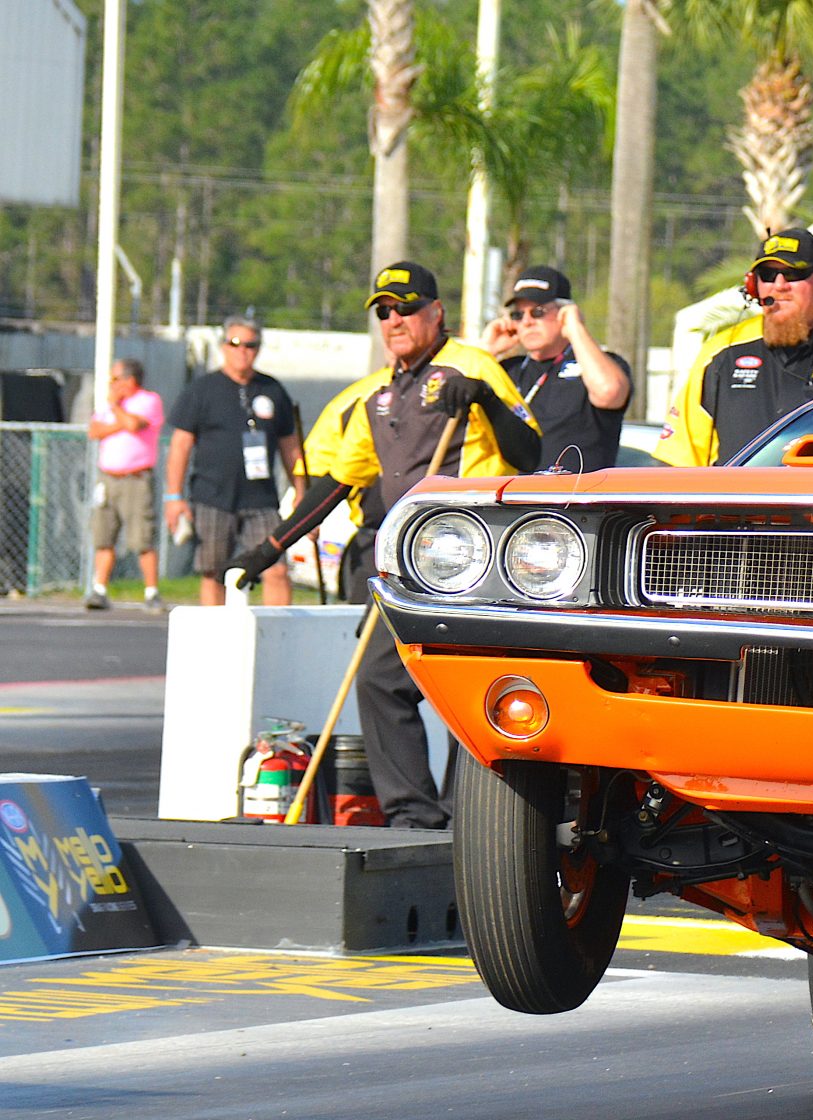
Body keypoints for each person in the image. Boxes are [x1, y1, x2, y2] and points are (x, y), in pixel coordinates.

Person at [229, 262, 539, 829]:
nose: (393, 319)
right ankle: (413, 816)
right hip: (405, 564)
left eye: (405, 307)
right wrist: (270, 547)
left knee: (470, 692)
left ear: (436, 312)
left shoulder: (475, 367)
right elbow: (338, 482)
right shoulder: (381, 394)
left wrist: (487, 404)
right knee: (379, 680)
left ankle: (476, 818)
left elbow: (531, 453)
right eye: (383, 311)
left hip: (476, 561)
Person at [652, 227, 813, 467]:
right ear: (753, 286)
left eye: (794, 274)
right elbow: (679, 460)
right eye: (768, 275)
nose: (780, 285)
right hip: (732, 509)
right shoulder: (720, 354)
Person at [162, 317, 304, 606]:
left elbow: (291, 447)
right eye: (235, 343)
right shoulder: (202, 389)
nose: (242, 351)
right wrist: (173, 496)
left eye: (250, 345)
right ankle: (217, 641)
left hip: (261, 501)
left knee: (275, 569)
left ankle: (275, 640)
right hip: (213, 498)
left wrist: (302, 492)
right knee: (214, 573)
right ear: (224, 347)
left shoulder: (272, 390)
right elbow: (180, 446)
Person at [480, 266, 631, 472]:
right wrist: (487, 350)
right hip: (515, 500)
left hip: (575, 499)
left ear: (564, 313)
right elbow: (460, 398)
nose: (527, 322)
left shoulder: (599, 365)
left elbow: (609, 392)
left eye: (538, 312)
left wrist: (575, 329)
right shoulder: (508, 369)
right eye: (517, 315)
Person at [84, 358, 167, 611]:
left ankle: (151, 592)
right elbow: (95, 430)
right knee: (103, 535)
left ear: (130, 381)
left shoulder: (148, 401)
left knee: (142, 538)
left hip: (136, 479)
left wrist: (116, 409)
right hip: (109, 478)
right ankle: (99, 589)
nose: (112, 385)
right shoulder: (113, 405)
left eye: (115, 379)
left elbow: (134, 424)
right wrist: (119, 419)